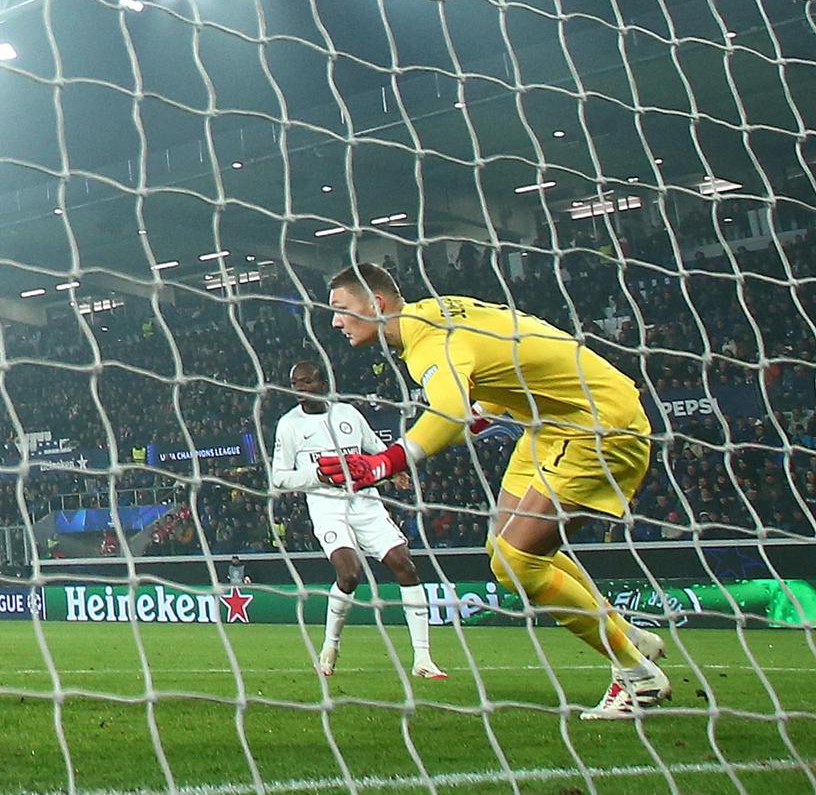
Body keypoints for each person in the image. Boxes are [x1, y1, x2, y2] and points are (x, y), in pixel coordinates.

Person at [321, 264, 668, 720]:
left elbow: (448, 410)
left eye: (340, 309)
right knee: (503, 553)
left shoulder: (429, 342)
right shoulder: (433, 315)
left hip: (597, 424)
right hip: (550, 419)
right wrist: (476, 416)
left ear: (376, 304)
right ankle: (627, 636)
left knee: (517, 560)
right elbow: (503, 369)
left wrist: (386, 462)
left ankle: (637, 675)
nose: (334, 322)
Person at [269, 359, 444, 680]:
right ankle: (329, 647)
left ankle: (423, 659)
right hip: (326, 507)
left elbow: (378, 453)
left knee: (404, 565)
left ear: (323, 383)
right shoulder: (289, 425)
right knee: (349, 575)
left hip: (366, 503)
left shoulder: (349, 414)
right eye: (295, 384)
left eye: (307, 382)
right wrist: (318, 475)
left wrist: (395, 475)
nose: (300, 390)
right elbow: (278, 478)